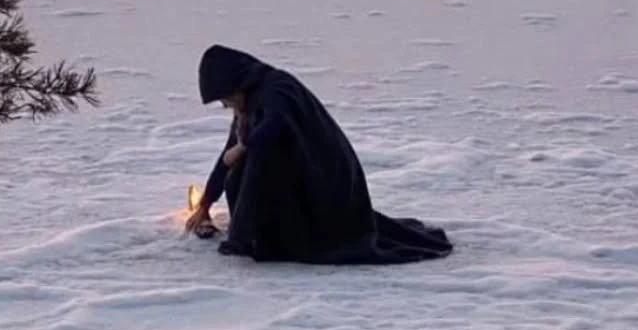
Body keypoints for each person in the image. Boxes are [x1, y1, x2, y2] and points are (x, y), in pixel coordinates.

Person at [185, 44, 452, 263]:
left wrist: (242, 149)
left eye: (225, 100)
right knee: (245, 161)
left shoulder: (276, 89)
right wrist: (206, 203)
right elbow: (227, 157)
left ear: (236, 86)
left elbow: (272, 130)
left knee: (258, 157)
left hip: (324, 186)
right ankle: (254, 232)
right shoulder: (250, 102)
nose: (226, 106)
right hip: (302, 182)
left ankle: (256, 236)